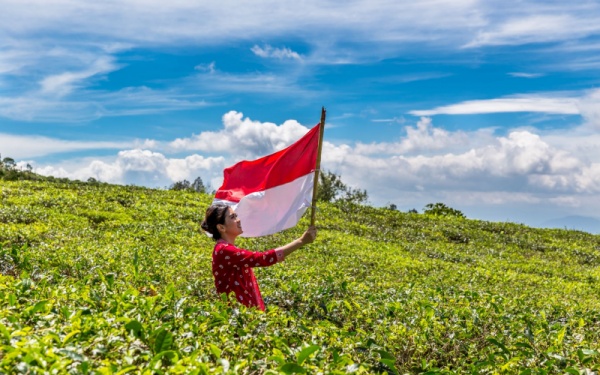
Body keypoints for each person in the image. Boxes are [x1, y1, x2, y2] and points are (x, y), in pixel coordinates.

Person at [201, 204, 317, 310]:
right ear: (221, 227)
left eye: (236, 215)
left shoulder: (226, 248)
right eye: (232, 217)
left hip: (245, 315)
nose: (238, 220)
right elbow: (262, 259)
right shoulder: (224, 250)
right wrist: (301, 241)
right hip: (237, 317)